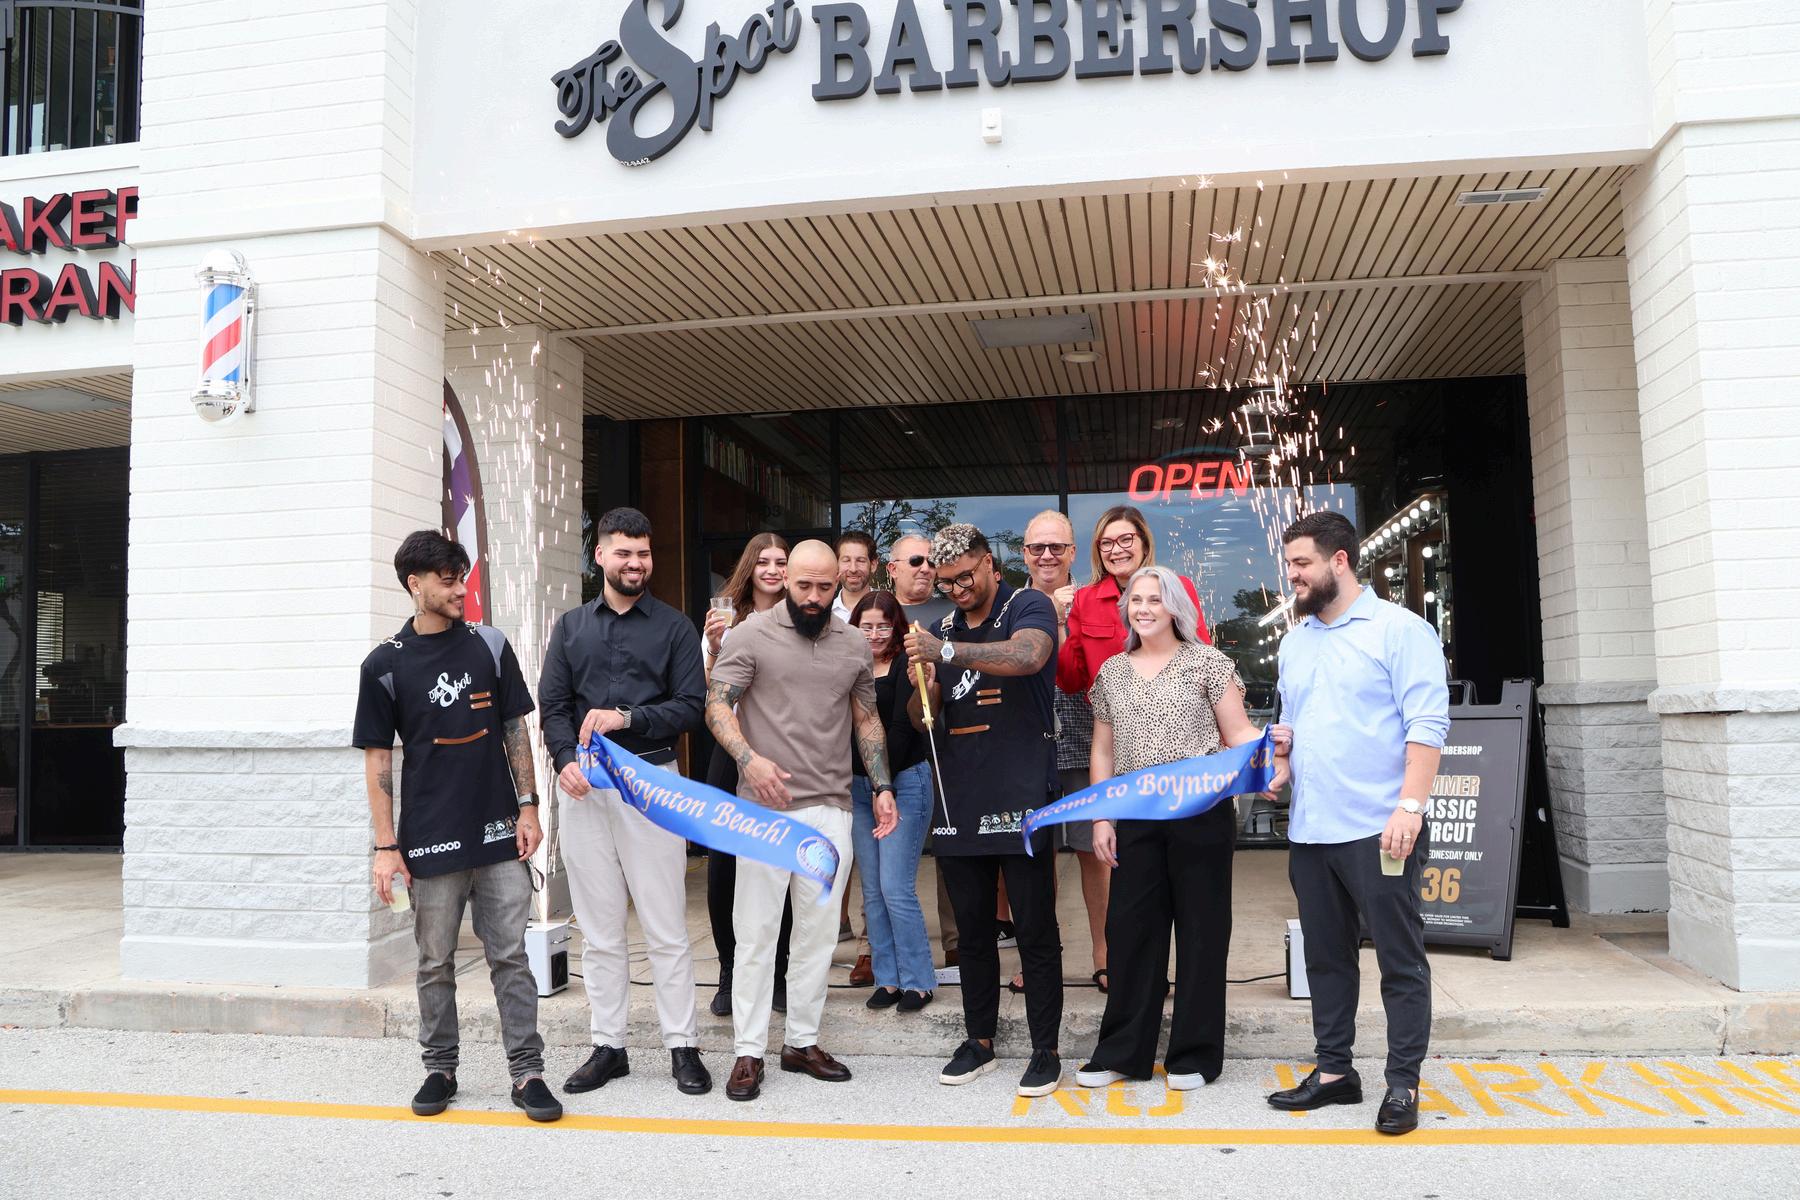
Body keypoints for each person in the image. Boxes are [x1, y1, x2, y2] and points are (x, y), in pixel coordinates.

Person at [353, 530, 561, 1123]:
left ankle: (527, 1073)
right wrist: (386, 846)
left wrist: (529, 808)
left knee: (511, 956)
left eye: (461, 577)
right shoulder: (384, 664)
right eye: (447, 580)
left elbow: (515, 728)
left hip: (497, 829)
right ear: (414, 584)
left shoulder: (489, 646)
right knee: (434, 960)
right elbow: (378, 759)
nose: (459, 589)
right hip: (429, 836)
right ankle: (440, 1067)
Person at [1265, 511, 1448, 1136]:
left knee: (1399, 960)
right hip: (1311, 831)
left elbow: (1427, 725)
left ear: (1339, 561)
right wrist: (1280, 760)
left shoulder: (1401, 630)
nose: (1293, 575)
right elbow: (1296, 725)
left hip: (1380, 829)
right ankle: (1335, 1073)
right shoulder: (1295, 642)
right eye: (1290, 564)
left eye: (1302, 564)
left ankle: (1403, 1082)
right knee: (1326, 960)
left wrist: (1410, 808)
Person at [1074, 566, 1289, 1093]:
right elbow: (1102, 752)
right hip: (1138, 816)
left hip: (1201, 814)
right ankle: (1123, 1052)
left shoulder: (1208, 662)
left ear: (1175, 608)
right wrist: (1101, 815)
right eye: (1136, 600)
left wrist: (1269, 750)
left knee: (1202, 933)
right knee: (1131, 934)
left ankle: (1195, 1055)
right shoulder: (1112, 673)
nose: (1143, 608)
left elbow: (1237, 732)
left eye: (1155, 599)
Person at [706, 540, 899, 1101]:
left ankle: (801, 1042)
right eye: (804, 585)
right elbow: (717, 705)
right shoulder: (750, 634)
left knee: (816, 938)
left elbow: (866, 719)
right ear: (785, 579)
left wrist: (882, 786)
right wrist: (749, 759)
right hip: (763, 813)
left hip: (831, 809)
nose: (813, 597)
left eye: (824, 587)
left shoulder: (854, 643)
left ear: (839, 584)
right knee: (756, 935)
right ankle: (747, 1052)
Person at [538, 507, 710, 1097]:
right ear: (600, 556)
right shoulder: (569, 628)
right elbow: (553, 705)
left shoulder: (675, 628)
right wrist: (564, 759)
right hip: (585, 790)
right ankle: (608, 1047)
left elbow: (691, 707)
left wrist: (627, 718)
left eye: (643, 553)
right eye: (624, 553)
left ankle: (682, 1047)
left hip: (653, 784)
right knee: (600, 928)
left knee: (666, 926)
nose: (635, 563)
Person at [903, 524, 1064, 1098]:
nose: (957, 590)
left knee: (1035, 927)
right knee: (972, 931)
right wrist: (925, 685)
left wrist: (944, 652)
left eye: (965, 577)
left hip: (1021, 791)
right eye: (946, 583)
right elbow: (924, 717)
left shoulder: (1028, 604)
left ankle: (1046, 1049)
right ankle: (980, 1040)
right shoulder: (940, 627)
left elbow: (1029, 655)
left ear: (990, 564)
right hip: (960, 794)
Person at [701, 534, 794, 1019]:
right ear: (749, 567)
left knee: (779, 863)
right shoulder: (723, 619)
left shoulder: (801, 618)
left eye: (782, 561)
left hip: (783, 751)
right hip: (731, 752)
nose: (774, 569)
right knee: (724, 867)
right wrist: (717, 650)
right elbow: (713, 696)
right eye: (764, 561)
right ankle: (729, 969)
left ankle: (777, 974)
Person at [1022, 509, 1110, 994]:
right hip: (1027, 747)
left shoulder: (1094, 600)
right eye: (1038, 547)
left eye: (1057, 546)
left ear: (1073, 552)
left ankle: (1105, 954)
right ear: (1024, 553)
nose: (1047, 555)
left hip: (1084, 741)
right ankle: (1041, 961)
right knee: (1035, 860)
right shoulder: (1010, 604)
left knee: (1093, 851)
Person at [848, 590, 936, 1012]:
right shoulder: (847, 663)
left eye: (883, 626)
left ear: (896, 626)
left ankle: (919, 980)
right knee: (872, 890)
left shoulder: (906, 663)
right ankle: (887, 979)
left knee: (895, 887)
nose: (875, 634)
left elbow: (902, 728)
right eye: (866, 626)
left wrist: (883, 785)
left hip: (904, 781)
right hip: (858, 788)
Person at [885, 531, 958, 976]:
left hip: (947, 744)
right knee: (887, 855)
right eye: (915, 560)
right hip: (895, 751)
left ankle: (956, 944)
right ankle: (875, 947)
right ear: (892, 568)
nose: (926, 568)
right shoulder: (878, 613)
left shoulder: (950, 613)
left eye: (931, 561)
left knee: (950, 847)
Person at [1057, 505, 1212, 705]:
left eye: (1126, 539)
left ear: (1145, 545)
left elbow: (1204, 661)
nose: (1116, 550)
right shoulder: (1084, 600)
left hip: (1175, 714)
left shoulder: (1178, 588)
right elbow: (1070, 682)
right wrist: (1058, 623)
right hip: (1111, 720)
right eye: (1106, 543)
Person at [832, 530, 878, 623]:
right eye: (846, 560)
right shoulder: (825, 613)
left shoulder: (890, 609)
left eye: (860, 560)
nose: (853, 569)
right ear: (836, 565)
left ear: (873, 565)